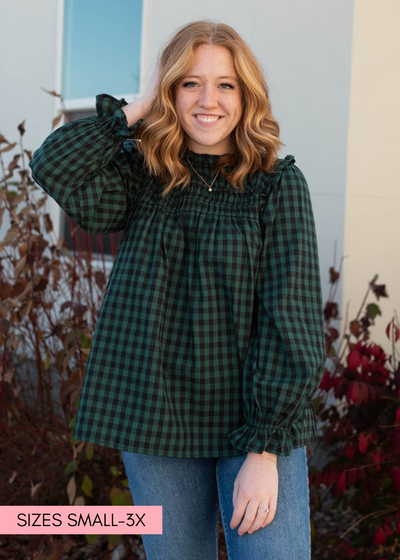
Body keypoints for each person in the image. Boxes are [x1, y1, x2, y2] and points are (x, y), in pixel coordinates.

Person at [29, 20, 326, 560]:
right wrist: (140, 105)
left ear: (246, 96)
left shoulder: (276, 184)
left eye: (225, 85)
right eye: (189, 82)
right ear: (170, 90)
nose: (207, 100)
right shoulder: (143, 175)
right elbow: (53, 164)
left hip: (253, 421)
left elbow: (293, 321)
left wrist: (264, 449)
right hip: (157, 416)